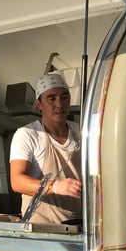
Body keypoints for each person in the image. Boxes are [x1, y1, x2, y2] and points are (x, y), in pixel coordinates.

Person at [9, 73, 83, 224]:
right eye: (51, 98)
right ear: (39, 104)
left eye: (64, 97)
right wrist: (55, 187)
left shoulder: (81, 132)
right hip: (42, 230)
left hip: (80, 226)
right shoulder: (28, 134)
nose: (60, 104)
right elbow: (17, 181)